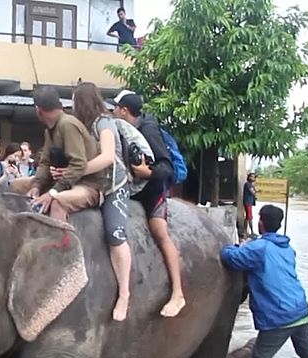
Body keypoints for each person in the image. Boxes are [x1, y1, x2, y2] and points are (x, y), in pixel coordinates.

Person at [221, 205, 308, 358]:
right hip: (299, 309)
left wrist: (227, 247)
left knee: (261, 357)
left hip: (278, 314)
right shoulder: (287, 248)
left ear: (261, 222)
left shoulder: (258, 248)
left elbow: (231, 258)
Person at [112, 90, 186, 317]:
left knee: (160, 232)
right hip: (130, 188)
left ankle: (178, 293)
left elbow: (166, 168)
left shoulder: (149, 130)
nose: (113, 111)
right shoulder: (118, 130)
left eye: (116, 107)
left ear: (124, 110)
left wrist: (147, 171)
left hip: (152, 190)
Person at [65, 82, 134, 321]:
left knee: (115, 234)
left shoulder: (104, 123)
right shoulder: (78, 127)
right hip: (89, 184)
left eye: (74, 101)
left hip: (113, 185)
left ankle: (124, 293)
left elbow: (106, 157)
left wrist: (76, 171)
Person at [24, 86, 105, 223]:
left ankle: (60, 244)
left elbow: (79, 164)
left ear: (38, 110)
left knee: (57, 202)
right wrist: (36, 186)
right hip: (64, 182)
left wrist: (53, 192)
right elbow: (45, 162)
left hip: (88, 185)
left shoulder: (67, 124)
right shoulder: (49, 130)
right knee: (17, 186)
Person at [243, 173, 257, 238]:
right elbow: (253, 192)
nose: (253, 178)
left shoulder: (250, 185)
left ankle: (245, 232)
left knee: (248, 217)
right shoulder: (248, 184)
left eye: (254, 177)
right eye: (251, 176)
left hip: (249, 202)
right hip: (247, 202)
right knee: (249, 217)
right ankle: (250, 232)